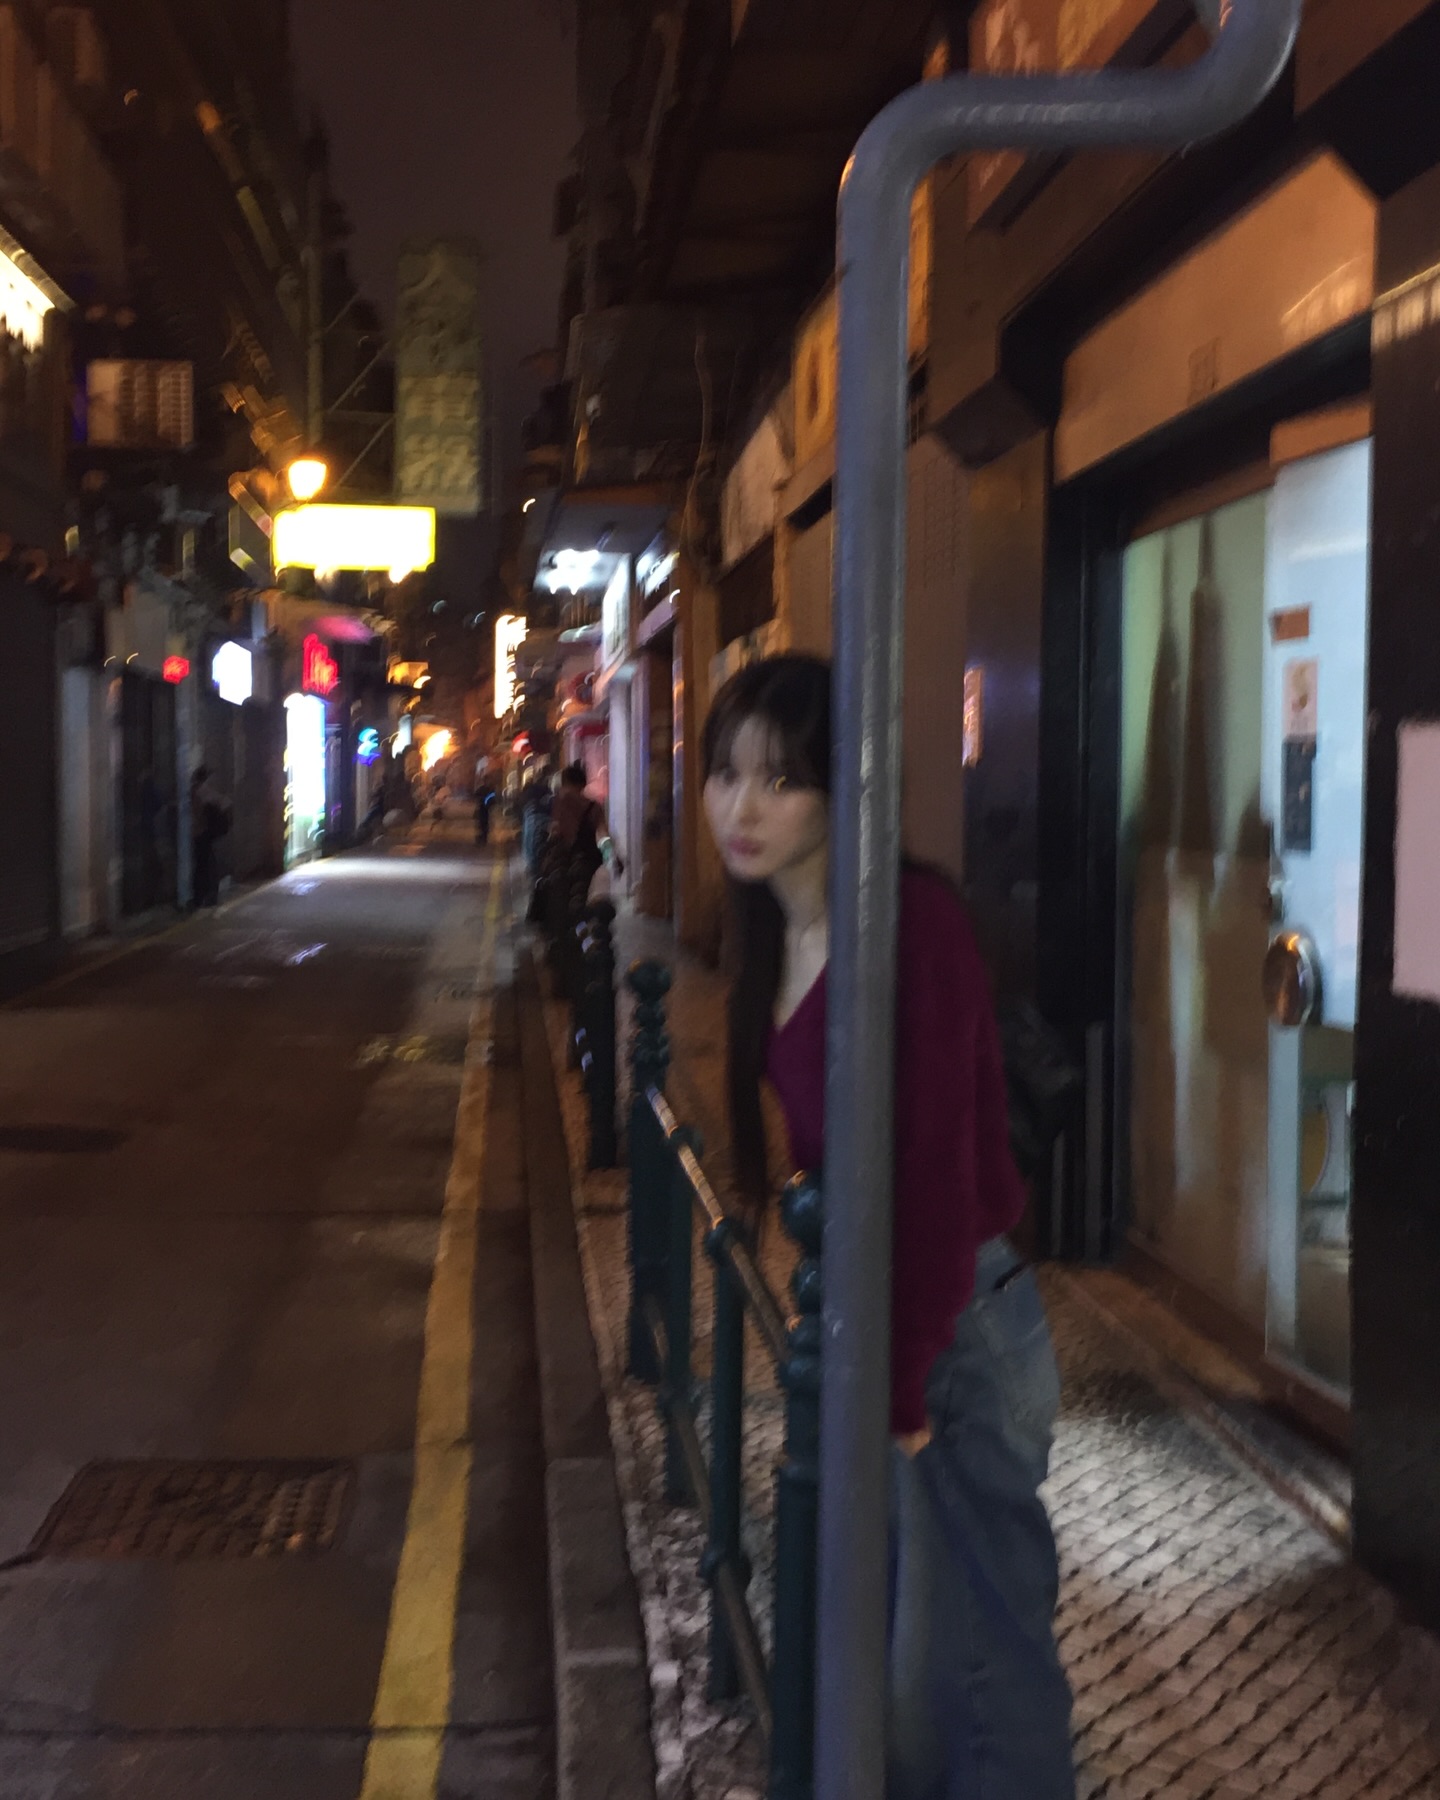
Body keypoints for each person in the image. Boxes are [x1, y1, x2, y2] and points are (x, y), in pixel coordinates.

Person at [701, 654, 1075, 1800]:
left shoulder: (915, 924)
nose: (742, 807)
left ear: (843, 788)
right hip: (887, 1332)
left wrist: (902, 1392)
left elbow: (937, 1181)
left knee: (981, 1667)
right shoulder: (775, 930)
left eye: (781, 779)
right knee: (906, 1662)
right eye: (725, 774)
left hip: (957, 1331)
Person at [189, 765, 231, 909]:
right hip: (204, 834)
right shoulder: (204, 791)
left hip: (197, 834)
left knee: (201, 866)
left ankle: (199, 898)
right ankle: (209, 897)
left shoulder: (192, 791)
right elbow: (225, 802)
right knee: (208, 866)